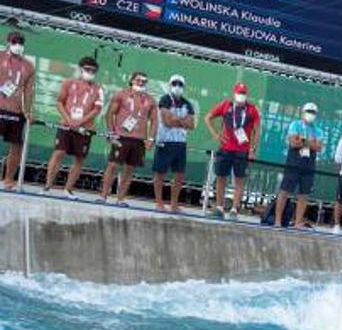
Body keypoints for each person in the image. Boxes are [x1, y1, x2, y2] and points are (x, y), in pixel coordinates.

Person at [43, 56, 104, 197]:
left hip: (85, 128)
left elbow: (97, 109)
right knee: (58, 153)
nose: (90, 72)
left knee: (79, 158)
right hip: (66, 124)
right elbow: (59, 102)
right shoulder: (68, 83)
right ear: (80, 69)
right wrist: (68, 120)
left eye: (93, 71)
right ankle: (47, 186)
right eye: (87, 69)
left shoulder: (98, 89)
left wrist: (81, 121)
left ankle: (68, 189)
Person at [98, 71, 157, 206]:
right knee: (112, 165)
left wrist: (151, 139)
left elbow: (154, 121)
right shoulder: (121, 94)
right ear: (131, 81)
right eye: (138, 80)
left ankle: (120, 199)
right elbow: (109, 114)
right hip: (122, 136)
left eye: (144, 81)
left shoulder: (150, 100)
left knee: (129, 169)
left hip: (139, 139)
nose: (141, 83)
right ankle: (103, 196)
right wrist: (111, 132)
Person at [204, 83, 260, 220]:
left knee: (239, 180)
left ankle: (235, 210)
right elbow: (207, 118)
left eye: (244, 93)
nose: (241, 96)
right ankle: (219, 208)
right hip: (225, 148)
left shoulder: (252, 109)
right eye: (239, 93)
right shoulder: (226, 105)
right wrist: (216, 134)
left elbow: (257, 131)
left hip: (242, 150)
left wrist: (252, 149)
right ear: (234, 93)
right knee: (221, 177)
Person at [272, 101, 323, 228]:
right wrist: (309, 142)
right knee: (284, 192)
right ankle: (277, 221)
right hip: (294, 162)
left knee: (304, 194)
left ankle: (297, 222)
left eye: (313, 113)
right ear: (303, 112)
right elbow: (293, 142)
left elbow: (319, 147)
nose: (310, 115)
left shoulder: (318, 130)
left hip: (309, 164)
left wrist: (302, 140)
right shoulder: (295, 124)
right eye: (308, 112)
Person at [150, 74, 194, 212]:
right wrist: (182, 120)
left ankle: (174, 204)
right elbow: (167, 122)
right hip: (165, 141)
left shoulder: (187, 104)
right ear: (170, 85)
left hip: (180, 142)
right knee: (160, 173)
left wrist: (176, 118)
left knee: (180, 174)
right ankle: (159, 202)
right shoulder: (165, 99)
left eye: (180, 84)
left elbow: (191, 125)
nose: (177, 87)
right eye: (175, 84)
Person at [0, 31, 36, 191]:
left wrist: (28, 110)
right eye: (15, 42)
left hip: (16, 111)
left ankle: (8, 180)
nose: (18, 45)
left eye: (21, 42)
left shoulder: (28, 65)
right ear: (8, 41)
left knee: (16, 146)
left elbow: (28, 91)